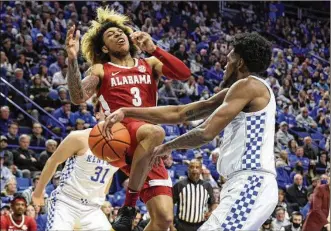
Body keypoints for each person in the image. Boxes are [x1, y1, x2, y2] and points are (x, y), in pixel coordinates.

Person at [107, 32, 278, 230]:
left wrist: (167, 146)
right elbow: (181, 112)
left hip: (251, 181)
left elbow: (206, 131)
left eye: (229, 59)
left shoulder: (248, 86)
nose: (224, 65)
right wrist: (127, 111)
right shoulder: (241, 90)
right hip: (247, 183)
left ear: (240, 63)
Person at [65, 7, 190, 231]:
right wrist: (72, 60)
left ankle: (129, 208)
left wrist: (154, 48)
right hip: (118, 135)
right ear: (104, 47)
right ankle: (129, 207)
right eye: (111, 35)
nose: (118, 35)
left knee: (164, 220)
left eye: (120, 32)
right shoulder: (101, 69)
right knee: (158, 131)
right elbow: (77, 97)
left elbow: (184, 74)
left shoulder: (149, 64)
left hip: (145, 145)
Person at [32, 104, 118, 231]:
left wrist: (101, 197)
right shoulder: (79, 137)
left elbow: (109, 175)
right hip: (66, 203)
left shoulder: (121, 146)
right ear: (97, 114)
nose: (111, 114)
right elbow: (53, 162)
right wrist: (38, 193)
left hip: (93, 208)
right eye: (106, 110)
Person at [171, 159, 217, 231]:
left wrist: (211, 212)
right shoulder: (179, 185)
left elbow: (213, 203)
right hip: (182, 226)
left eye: (197, 167)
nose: (194, 169)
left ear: (201, 170)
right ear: (188, 169)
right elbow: (171, 204)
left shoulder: (207, 186)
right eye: (192, 167)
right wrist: (171, 226)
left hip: (201, 226)